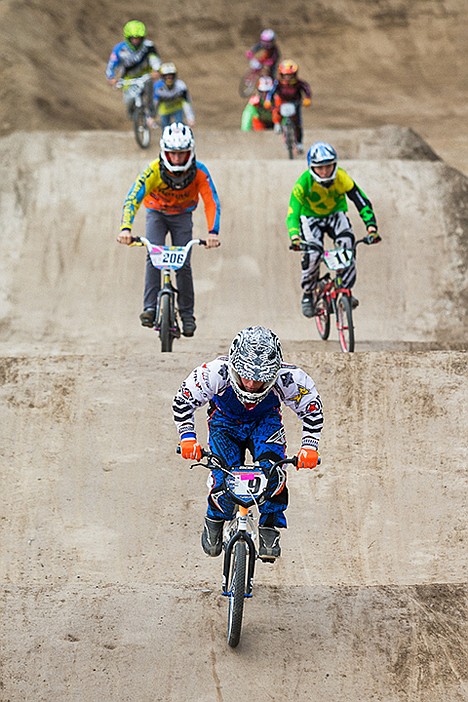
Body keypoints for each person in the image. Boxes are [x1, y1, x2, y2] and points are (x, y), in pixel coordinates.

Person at [173, 326, 323, 561]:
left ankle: (269, 526)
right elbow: (183, 402)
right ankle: (214, 517)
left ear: (274, 374)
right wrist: (188, 438)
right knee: (223, 476)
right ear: (233, 367)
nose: (252, 384)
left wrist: (309, 447)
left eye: (261, 379)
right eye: (246, 376)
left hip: (265, 422)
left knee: (274, 471)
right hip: (224, 423)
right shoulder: (213, 374)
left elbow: (312, 410)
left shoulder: (289, 379)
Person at [117, 123, 221, 337]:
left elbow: (211, 202)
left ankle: (187, 315)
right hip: (156, 214)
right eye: (172, 154)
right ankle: (150, 307)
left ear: (190, 152)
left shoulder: (200, 172)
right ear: (164, 152)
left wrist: (213, 232)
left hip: (182, 216)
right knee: (153, 255)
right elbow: (132, 198)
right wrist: (126, 228)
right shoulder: (153, 170)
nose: (176, 159)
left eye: (181, 154)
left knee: (183, 264)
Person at [286, 141, 380, 317]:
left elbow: (361, 201)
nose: (324, 172)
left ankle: (345, 289)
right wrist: (295, 237)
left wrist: (371, 226)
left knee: (348, 244)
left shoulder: (342, 178)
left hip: (336, 214)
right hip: (310, 218)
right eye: (320, 168)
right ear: (312, 168)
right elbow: (292, 213)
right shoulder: (303, 183)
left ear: (334, 165)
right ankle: (308, 293)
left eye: (328, 166)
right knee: (312, 253)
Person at [106, 20, 161, 125]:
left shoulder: (148, 46)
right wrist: (111, 77)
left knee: (150, 92)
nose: (136, 41)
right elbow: (111, 64)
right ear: (128, 38)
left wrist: (156, 70)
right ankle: (133, 114)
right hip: (128, 79)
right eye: (133, 38)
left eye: (138, 38)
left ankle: (151, 114)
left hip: (146, 75)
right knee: (128, 101)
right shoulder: (119, 49)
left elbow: (155, 59)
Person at [264, 60, 312, 153]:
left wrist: (307, 98)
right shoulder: (278, 83)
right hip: (282, 102)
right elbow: (271, 92)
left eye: (290, 75)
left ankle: (299, 143)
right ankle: (277, 124)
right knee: (276, 111)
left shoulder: (298, 83)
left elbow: (306, 89)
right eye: (286, 75)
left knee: (297, 123)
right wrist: (267, 100)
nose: (288, 78)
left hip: (295, 102)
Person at [153, 62, 195, 129]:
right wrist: (151, 117)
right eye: (167, 76)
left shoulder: (181, 86)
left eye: (171, 75)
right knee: (166, 130)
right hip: (164, 110)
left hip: (177, 109)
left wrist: (190, 118)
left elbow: (186, 102)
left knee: (180, 127)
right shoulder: (157, 88)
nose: (169, 78)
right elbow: (154, 103)